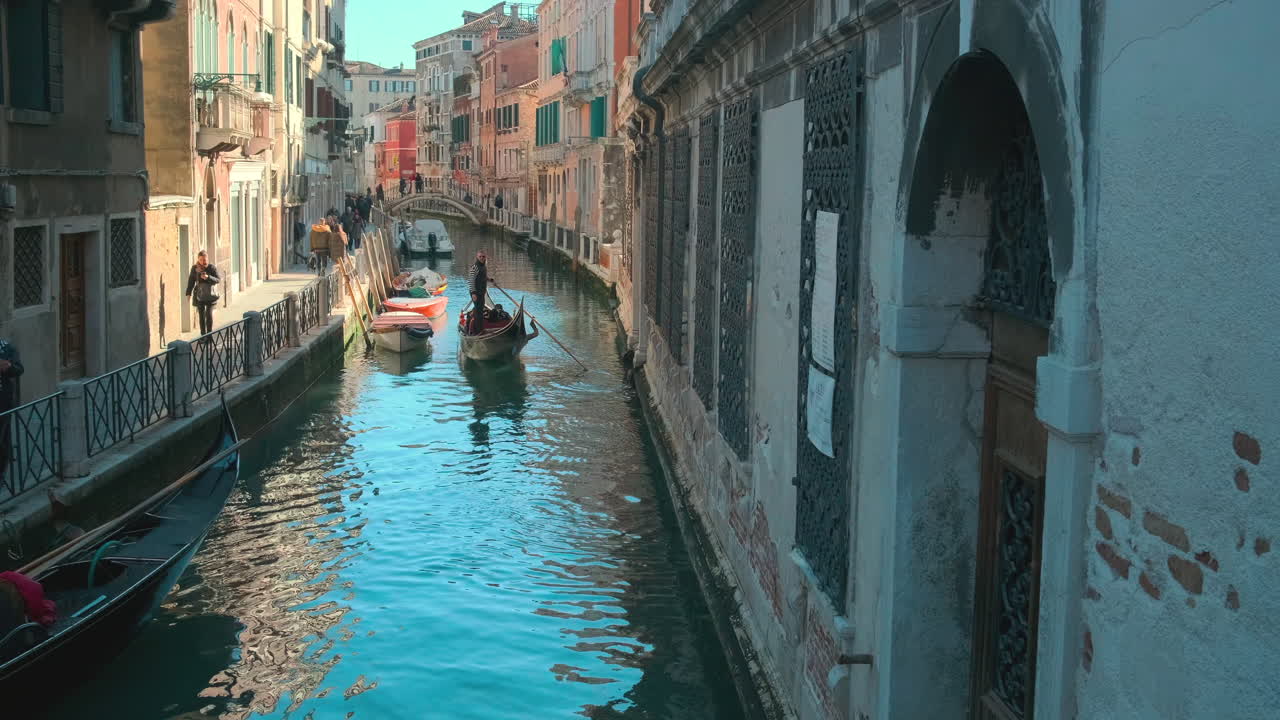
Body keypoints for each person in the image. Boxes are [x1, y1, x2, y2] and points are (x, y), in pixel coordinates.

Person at [0, 338, 24, 488]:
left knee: (2, 439)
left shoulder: (7, 348)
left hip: (3, 402)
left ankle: (1, 472)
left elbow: (19, 369)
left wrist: (7, 366)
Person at [185, 250, 220, 335]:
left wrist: (208, 277)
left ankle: (209, 335)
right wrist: (188, 293)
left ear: (207, 259)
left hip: (210, 295)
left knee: (209, 315)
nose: (203, 262)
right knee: (201, 315)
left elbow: (218, 279)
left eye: (204, 259)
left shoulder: (211, 268)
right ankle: (203, 335)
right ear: (198, 259)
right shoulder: (195, 269)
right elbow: (191, 281)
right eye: (201, 260)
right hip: (200, 295)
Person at [467, 250, 492, 335]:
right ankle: (479, 331)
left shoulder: (483, 266)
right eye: (480, 256)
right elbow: (471, 281)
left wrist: (490, 280)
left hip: (481, 292)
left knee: (480, 311)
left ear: (485, 257)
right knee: (478, 312)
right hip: (476, 292)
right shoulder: (474, 267)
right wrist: (473, 293)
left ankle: (481, 328)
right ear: (477, 257)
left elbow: (483, 276)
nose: (482, 258)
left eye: (483, 256)